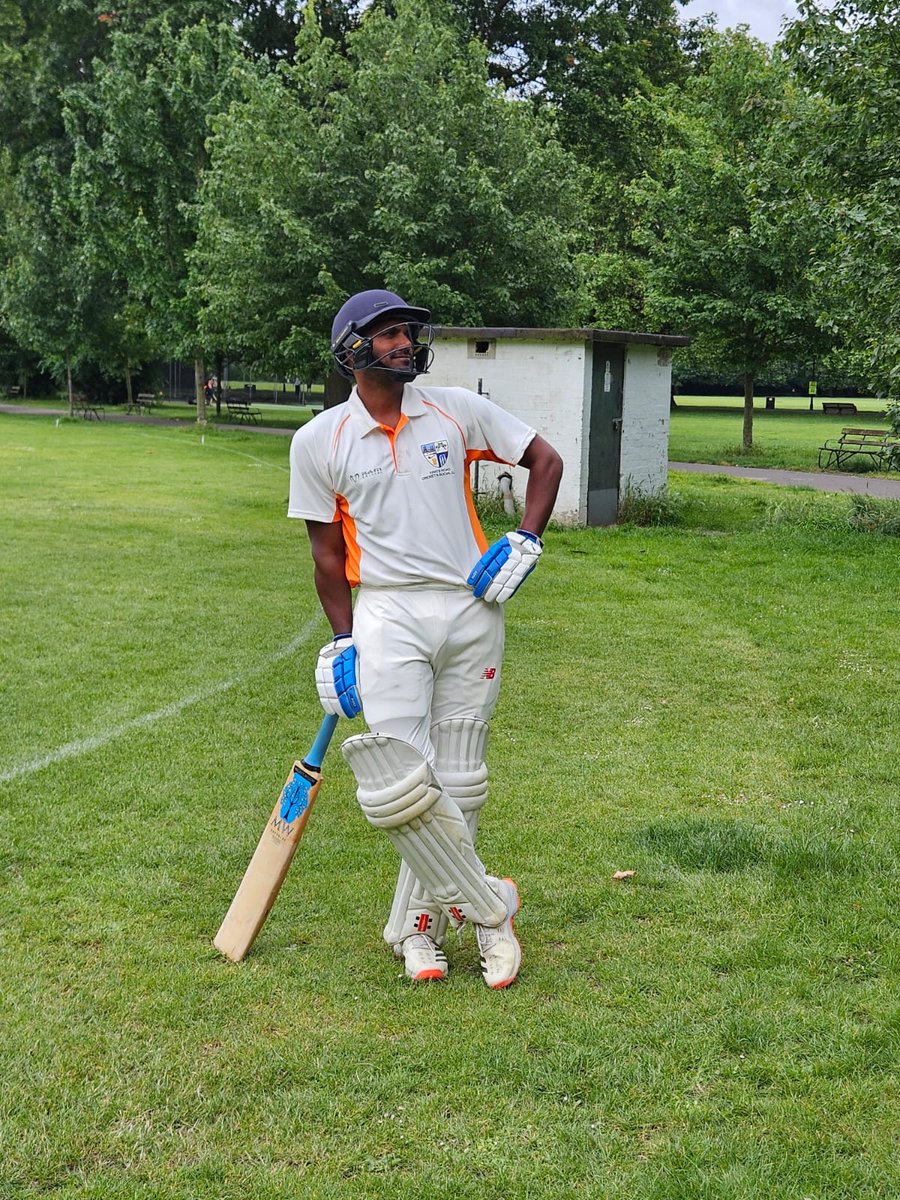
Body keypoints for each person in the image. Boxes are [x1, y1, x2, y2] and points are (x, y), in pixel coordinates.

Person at [287, 289, 563, 988]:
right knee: (402, 787)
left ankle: (418, 931)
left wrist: (527, 537)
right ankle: (492, 910)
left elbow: (545, 459)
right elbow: (325, 555)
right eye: (388, 334)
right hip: (387, 614)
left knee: (461, 779)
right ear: (353, 349)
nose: (405, 342)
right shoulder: (319, 441)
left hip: (471, 605)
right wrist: (342, 640)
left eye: (407, 331)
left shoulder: (454, 410)